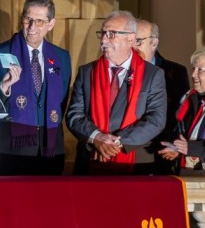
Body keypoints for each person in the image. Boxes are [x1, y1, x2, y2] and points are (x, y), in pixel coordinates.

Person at [0, 0, 71, 175]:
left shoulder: (61, 57)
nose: (32, 27)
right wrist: (4, 90)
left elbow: (62, 101)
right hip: (9, 151)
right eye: (28, 19)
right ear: (22, 19)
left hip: (50, 151)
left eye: (40, 21)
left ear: (51, 24)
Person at [66, 10, 167, 175]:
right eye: (103, 33)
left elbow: (156, 118)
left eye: (112, 34)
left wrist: (118, 143)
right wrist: (97, 137)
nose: (104, 40)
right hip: (91, 159)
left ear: (131, 39)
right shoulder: (87, 72)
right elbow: (74, 114)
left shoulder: (152, 74)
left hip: (135, 161)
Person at [159, 46, 205, 176]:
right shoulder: (191, 97)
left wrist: (191, 148)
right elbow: (186, 132)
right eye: (193, 69)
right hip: (188, 170)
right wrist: (177, 148)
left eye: (200, 70)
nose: (193, 74)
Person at [135, 19, 190, 174]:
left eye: (138, 41)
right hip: (121, 152)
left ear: (154, 43)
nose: (132, 46)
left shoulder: (175, 72)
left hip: (158, 153)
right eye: (130, 40)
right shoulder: (120, 68)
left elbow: (178, 115)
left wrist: (172, 144)